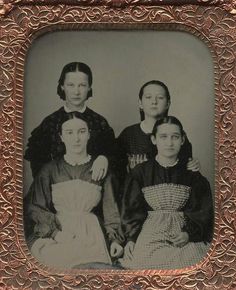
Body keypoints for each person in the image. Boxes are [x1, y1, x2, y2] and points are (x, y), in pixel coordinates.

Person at [24, 112, 124, 269]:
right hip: (59, 232)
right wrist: (56, 234)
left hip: (91, 233)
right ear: (61, 137)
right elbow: (35, 207)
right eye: (69, 133)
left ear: (89, 134)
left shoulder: (101, 169)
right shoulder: (49, 170)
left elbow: (112, 210)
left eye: (81, 131)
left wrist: (115, 240)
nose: (76, 138)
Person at [120, 116, 214, 269]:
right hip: (151, 235)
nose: (169, 143)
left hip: (184, 237)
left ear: (182, 140)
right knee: (147, 265)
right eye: (163, 137)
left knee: (195, 265)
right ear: (153, 139)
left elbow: (202, 212)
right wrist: (131, 239)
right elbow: (132, 211)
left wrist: (189, 234)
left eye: (175, 137)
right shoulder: (140, 173)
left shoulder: (193, 176)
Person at [24, 62, 115, 180]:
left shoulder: (99, 123)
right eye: (71, 85)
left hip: (93, 188)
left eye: (82, 85)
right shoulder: (49, 123)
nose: (76, 92)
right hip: (56, 191)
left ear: (89, 87)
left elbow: (114, 155)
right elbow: (37, 164)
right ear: (62, 86)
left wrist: (104, 158)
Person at [116, 80, 198, 176]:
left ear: (168, 103)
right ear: (140, 103)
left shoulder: (175, 135)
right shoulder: (128, 134)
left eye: (160, 97)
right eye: (148, 97)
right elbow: (117, 170)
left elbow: (184, 171)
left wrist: (192, 165)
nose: (154, 102)